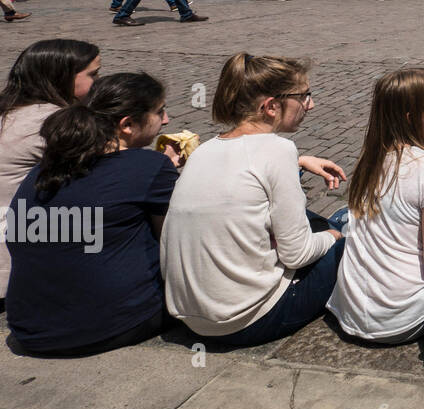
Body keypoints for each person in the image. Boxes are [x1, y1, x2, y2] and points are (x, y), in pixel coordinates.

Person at [161, 54, 347, 346]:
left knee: (310, 221)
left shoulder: (204, 150)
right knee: (348, 234)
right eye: (304, 96)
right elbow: (296, 255)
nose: (310, 104)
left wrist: (298, 163)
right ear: (271, 106)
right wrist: (335, 236)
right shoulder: (277, 149)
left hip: (190, 315)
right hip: (245, 320)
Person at [5, 73, 180, 355]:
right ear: (127, 124)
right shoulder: (148, 165)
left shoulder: (46, 166)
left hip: (29, 329)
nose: (167, 119)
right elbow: (173, 243)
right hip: (106, 327)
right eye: (159, 111)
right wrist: (165, 174)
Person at [327, 68, 424, 344]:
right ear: (412, 117)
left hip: (350, 314)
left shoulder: (369, 160)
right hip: (402, 319)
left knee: (341, 217)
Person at [0, 40, 101, 302]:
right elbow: (104, 179)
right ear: (63, 77)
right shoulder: (54, 122)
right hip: (14, 264)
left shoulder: (10, 111)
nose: (99, 82)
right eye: (93, 74)